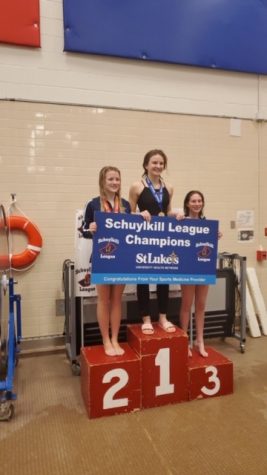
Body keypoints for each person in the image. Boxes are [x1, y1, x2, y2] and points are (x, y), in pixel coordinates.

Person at [82, 166, 131, 356]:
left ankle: (115, 339)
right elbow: (84, 231)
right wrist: (90, 228)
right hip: (102, 258)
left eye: (117, 179)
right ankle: (105, 340)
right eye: (111, 179)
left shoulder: (126, 205)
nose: (114, 183)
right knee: (103, 300)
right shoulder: (93, 204)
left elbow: (133, 231)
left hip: (122, 259)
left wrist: (142, 216)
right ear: (103, 181)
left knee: (117, 300)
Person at [129, 149, 176, 335]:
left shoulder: (169, 187)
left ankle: (163, 317)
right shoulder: (137, 186)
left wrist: (178, 214)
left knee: (164, 277)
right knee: (144, 278)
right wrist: (139, 214)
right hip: (144, 237)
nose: (158, 166)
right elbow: (128, 212)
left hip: (163, 238)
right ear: (146, 165)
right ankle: (146, 318)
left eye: (161, 163)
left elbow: (168, 210)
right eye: (154, 163)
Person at [179, 190, 222, 357]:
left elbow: (208, 246)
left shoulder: (207, 224)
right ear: (187, 203)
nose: (197, 204)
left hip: (204, 267)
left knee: (201, 305)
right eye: (193, 201)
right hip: (188, 268)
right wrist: (177, 220)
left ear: (202, 203)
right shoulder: (182, 220)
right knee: (186, 304)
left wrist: (216, 235)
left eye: (199, 201)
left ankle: (200, 341)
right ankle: (184, 340)